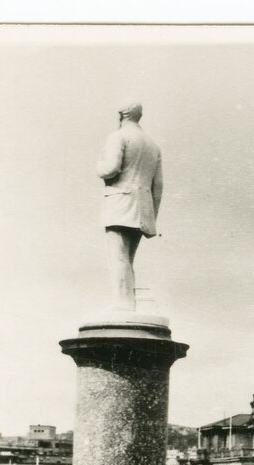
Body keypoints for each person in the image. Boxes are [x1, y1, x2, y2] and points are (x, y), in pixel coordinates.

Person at [96, 100, 164, 311]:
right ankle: (127, 304)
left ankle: (122, 305)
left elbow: (110, 169)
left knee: (118, 257)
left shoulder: (118, 137)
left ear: (121, 115)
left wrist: (98, 166)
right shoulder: (153, 145)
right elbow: (158, 186)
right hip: (142, 207)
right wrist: (152, 214)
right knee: (127, 260)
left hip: (120, 203)